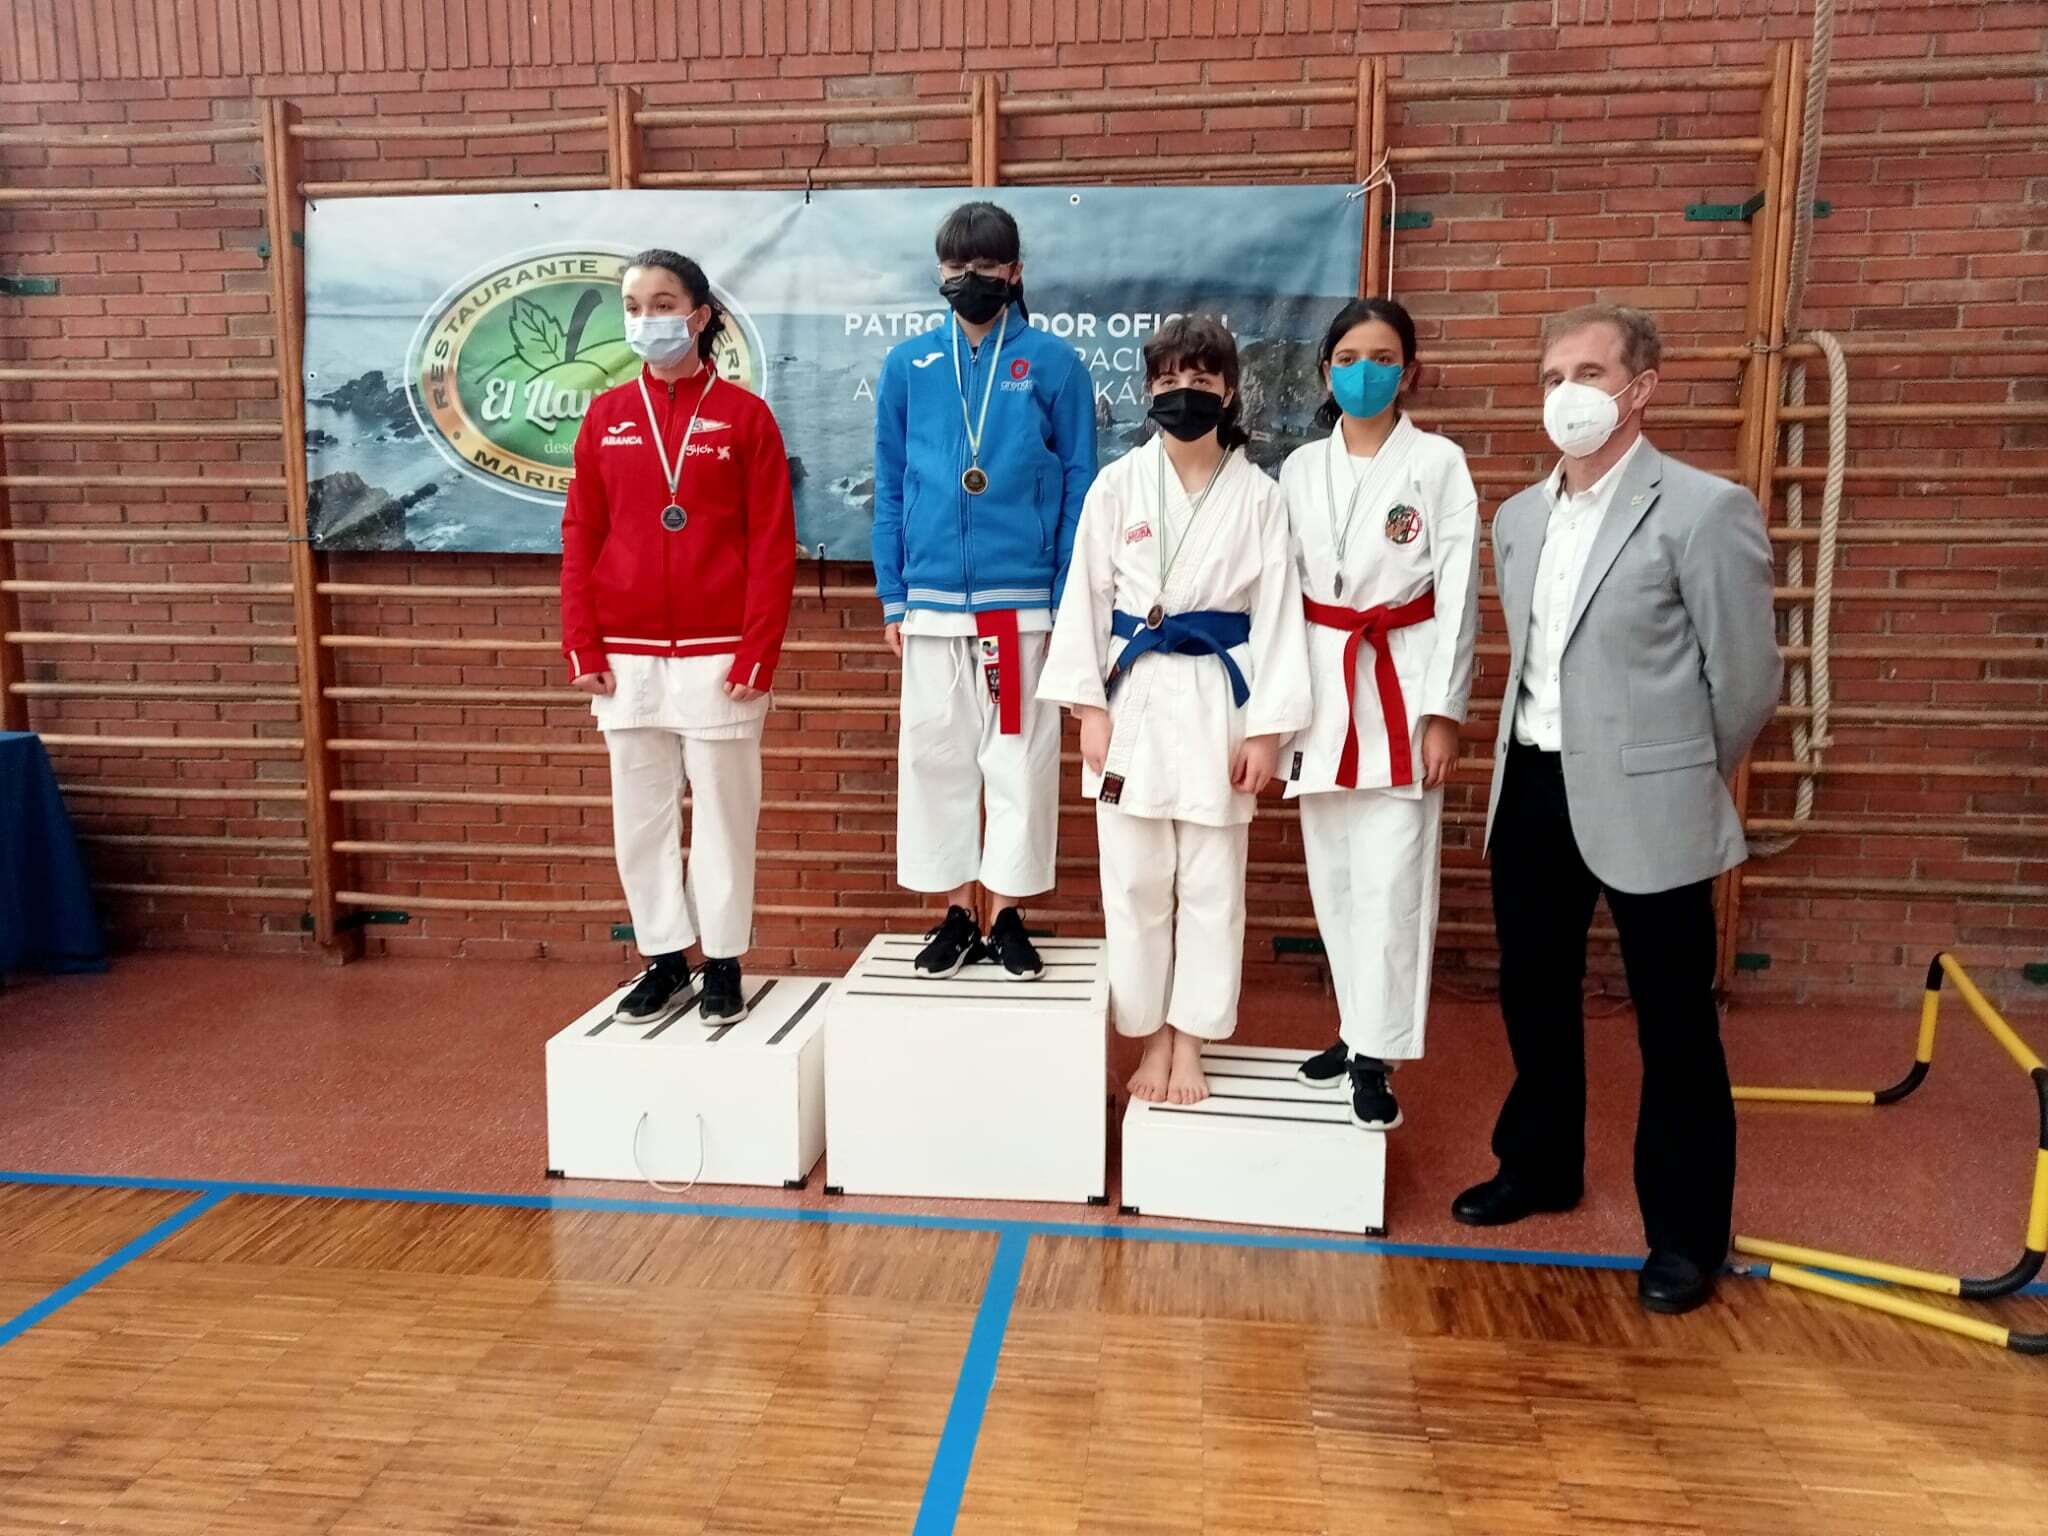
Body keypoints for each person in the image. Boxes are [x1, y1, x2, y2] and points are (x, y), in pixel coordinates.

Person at [1454, 303, 1782, 1316]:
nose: (1568, 393)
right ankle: (1540, 1164)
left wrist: (1679, 768)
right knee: (1533, 993)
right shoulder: (1517, 517)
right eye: (1552, 375)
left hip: (1653, 795)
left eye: (1589, 373)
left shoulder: (1704, 509)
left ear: (1640, 388)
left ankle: (1685, 1234)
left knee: (1675, 1022)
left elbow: (1745, 679)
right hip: (1532, 785)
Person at [1038, 316, 1312, 1106]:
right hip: (1133, 696)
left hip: (1219, 700)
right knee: (1133, 883)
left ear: (1229, 391)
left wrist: (1267, 731)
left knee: (1212, 885)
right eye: (1166, 380)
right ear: (1147, 390)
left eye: (1199, 379)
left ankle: (1190, 1039)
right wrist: (1088, 709)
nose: (1182, 392)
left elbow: (1279, 615)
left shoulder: (1259, 497)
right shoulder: (1117, 484)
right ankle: (1149, 1032)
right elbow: (1085, 598)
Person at [560, 249, 796, 1025]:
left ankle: (723, 960)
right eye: (633, 306)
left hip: (721, 652)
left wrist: (759, 651)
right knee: (641, 818)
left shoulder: (745, 418)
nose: (645, 319)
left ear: (698, 316)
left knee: (725, 815)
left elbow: (772, 545)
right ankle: (664, 957)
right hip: (626, 656)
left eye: (662, 305)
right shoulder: (605, 417)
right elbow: (581, 533)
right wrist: (582, 642)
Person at [870, 201, 1097, 981]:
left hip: (1018, 605)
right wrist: (893, 595)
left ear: (1015, 271)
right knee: (937, 760)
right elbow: (890, 485)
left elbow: (1080, 485)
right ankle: (957, 913)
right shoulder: (909, 365)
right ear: (940, 272)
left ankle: (1006, 915)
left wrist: (1065, 599)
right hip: (931, 605)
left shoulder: (1054, 364)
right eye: (955, 266)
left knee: (1017, 762)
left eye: (986, 265)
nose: (969, 277)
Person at [1280, 298, 1479, 1133]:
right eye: (1350, 357)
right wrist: (1278, 706)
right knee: (1335, 877)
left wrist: (1444, 713)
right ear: (1327, 371)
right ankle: (1352, 1027)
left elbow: (1460, 590)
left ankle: (1378, 1058)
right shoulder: (1299, 468)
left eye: (1384, 357)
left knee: (1394, 882)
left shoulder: (1438, 463)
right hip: (1324, 683)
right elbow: (1280, 592)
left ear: (1410, 371)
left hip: (1401, 678)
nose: (1366, 371)